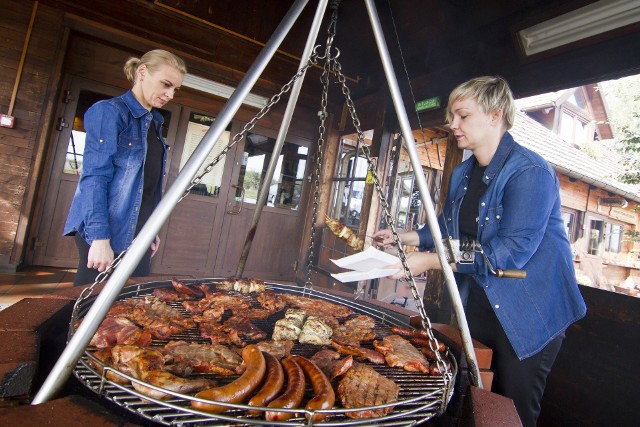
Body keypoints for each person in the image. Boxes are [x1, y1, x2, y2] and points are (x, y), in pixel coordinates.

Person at [373, 76, 586, 427]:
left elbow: (506, 254)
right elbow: (445, 229)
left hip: (529, 311)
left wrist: (431, 260)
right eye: (452, 116)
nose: (451, 124)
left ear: (494, 116)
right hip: (482, 300)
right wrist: (405, 237)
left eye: (462, 116)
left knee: (510, 411)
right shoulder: (463, 173)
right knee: (476, 398)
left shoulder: (530, 172)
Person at [63, 49, 186, 286]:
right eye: (166, 84)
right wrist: (99, 237)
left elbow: (147, 186)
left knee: (129, 309)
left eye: (175, 89)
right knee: (91, 311)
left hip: (139, 232)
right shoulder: (110, 112)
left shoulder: (155, 123)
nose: (170, 94)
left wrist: (152, 229)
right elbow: (94, 178)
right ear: (142, 72)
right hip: (106, 228)